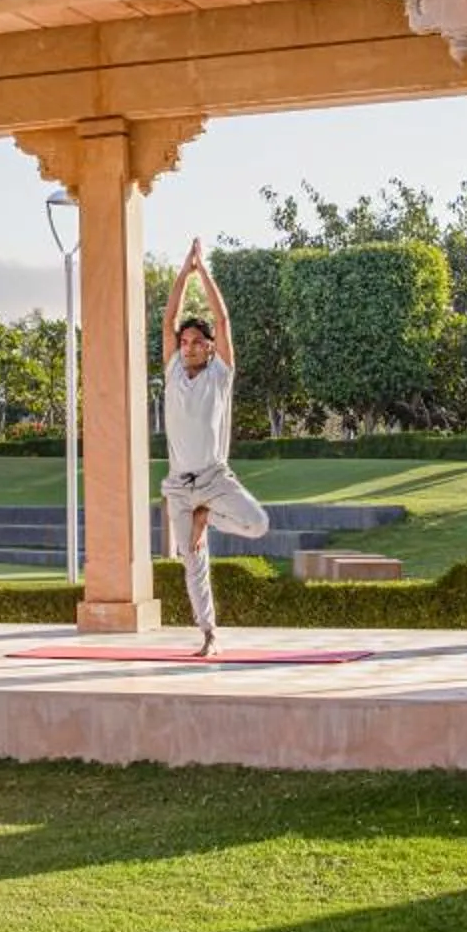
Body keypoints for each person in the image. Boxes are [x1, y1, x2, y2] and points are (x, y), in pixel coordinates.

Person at [159, 240, 269, 655]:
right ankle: (208, 634)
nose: (188, 346)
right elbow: (168, 318)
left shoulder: (219, 374)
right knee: (192, 560)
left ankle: (209, 514)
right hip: (178, 487)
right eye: (184, 341)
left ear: (207, 347)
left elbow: (222, 320)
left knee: (258, 524)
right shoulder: (172, 371)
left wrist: (201, 270)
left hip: (214, 479)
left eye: (196, 342)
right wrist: (180, 274)